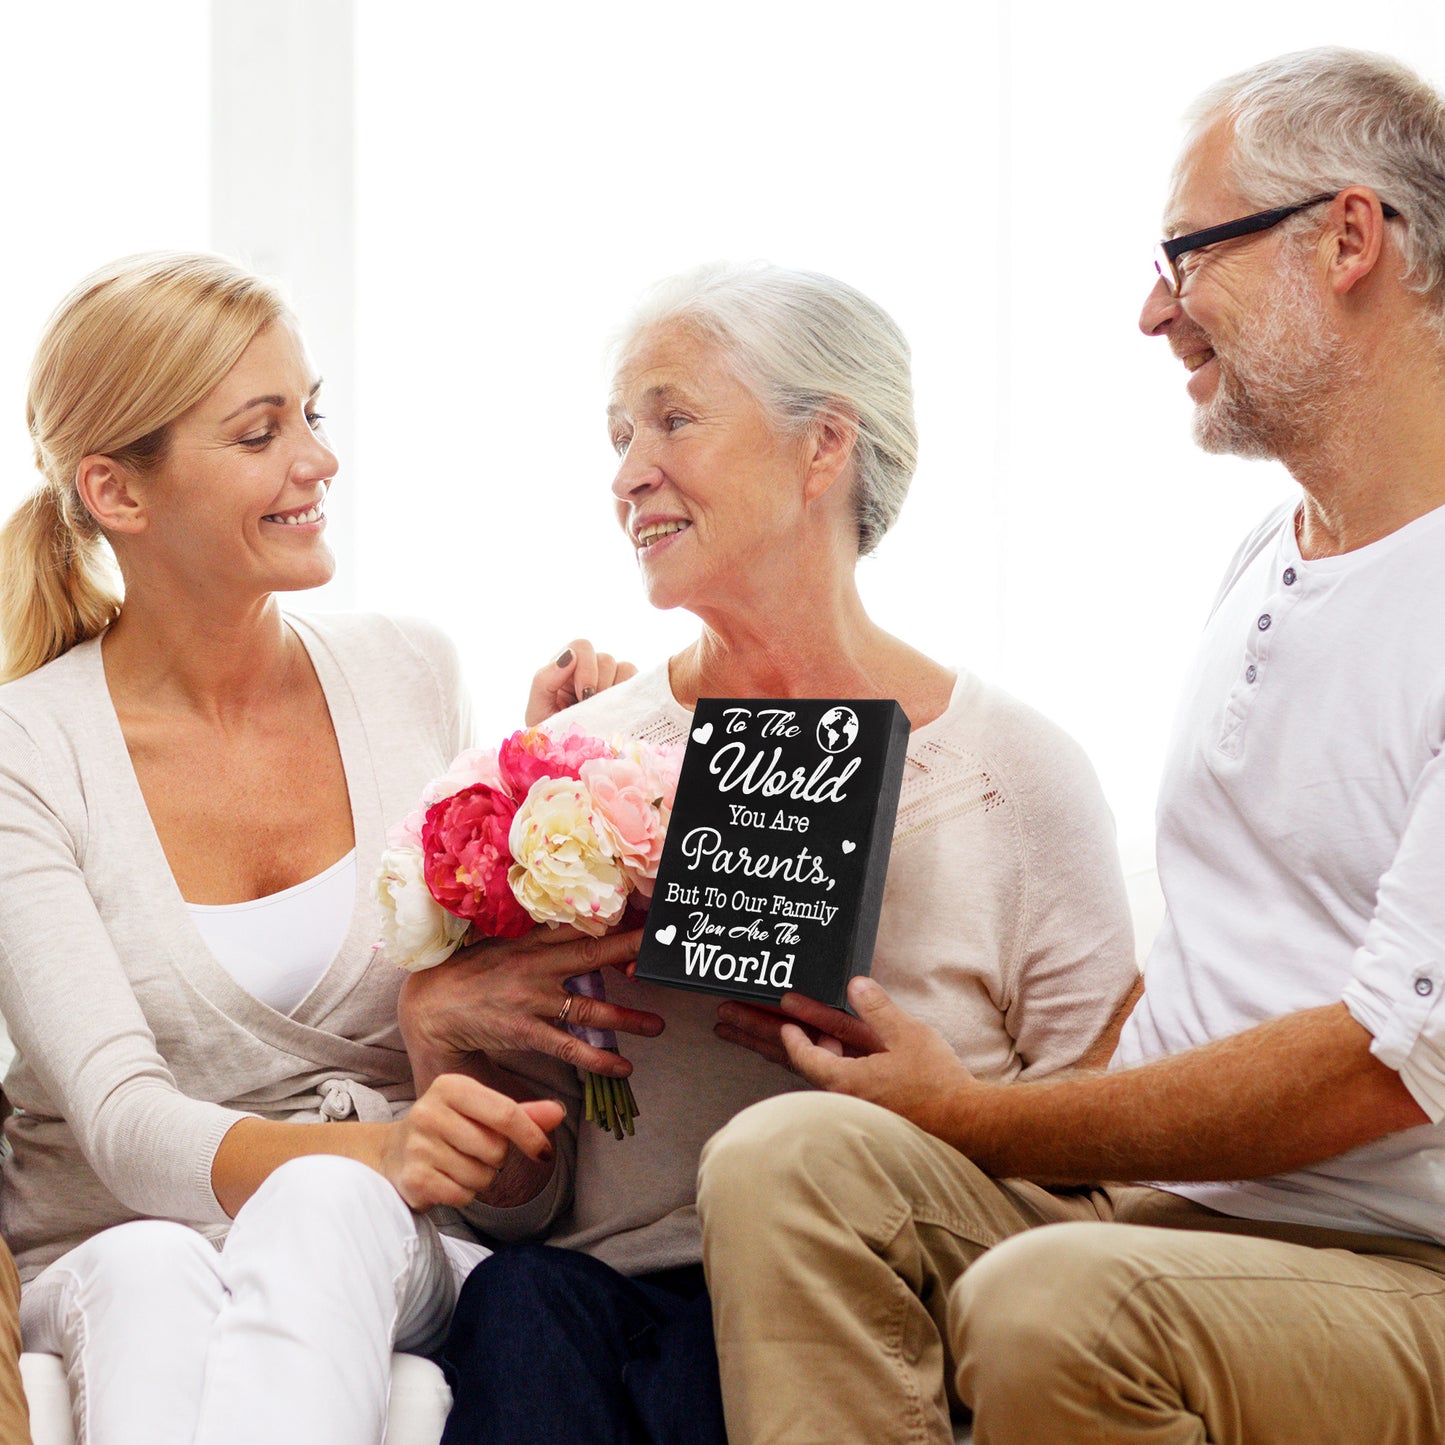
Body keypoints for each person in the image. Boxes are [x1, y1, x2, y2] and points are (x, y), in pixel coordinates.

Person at [693, 46, 1445, 1445]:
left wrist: (985, 1117)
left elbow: (1379, 1062)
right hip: (1163, 1208)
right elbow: (1222, 936)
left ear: (1349, 237)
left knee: (1048, 1304)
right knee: (783, 1159)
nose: (1153, 310)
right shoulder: (1265, 555)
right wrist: (1004, 1104)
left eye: (1188, 254)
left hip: (1398, 1260)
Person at [401, 262, 1143, 1444]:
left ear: (823, 446)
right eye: (619, 434)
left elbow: (1109, 1170)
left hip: (869, 1298)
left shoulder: (1014, 773)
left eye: (673, 419)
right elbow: (525, 1209)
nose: (627, 471)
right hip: (601, 1306)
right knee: (519, 1301)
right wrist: (447, 1034)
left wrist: (936, 1103)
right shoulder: (572, 766)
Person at [0, 252, 619, 1445]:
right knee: (148, 1265)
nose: (318, 460)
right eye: (259, 432)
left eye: (312, 414)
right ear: (116, 492)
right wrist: (379, 1141)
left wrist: (555, 791)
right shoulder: (26, 749)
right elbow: (123, 1121)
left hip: (374, 1237)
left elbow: (510, 1161)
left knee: (325, 1196)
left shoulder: (408, 673)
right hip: (109, 1243)